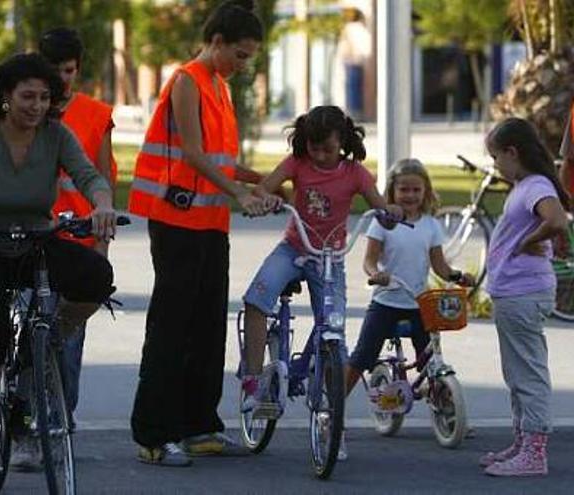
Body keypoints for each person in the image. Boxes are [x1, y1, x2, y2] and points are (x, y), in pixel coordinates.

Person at [0, 52, 117, 480]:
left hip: (37, 240)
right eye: (27, 96)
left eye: (45, 98)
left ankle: (49, 342)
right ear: (5, 98)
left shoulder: (55, 134)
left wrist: (102, 206)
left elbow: (90, 177)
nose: (37, 106)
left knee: (96, 277)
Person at [128, 0, 275, 467]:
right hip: (176, 222)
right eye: (241, 55)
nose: (243, 65)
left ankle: (199, 425)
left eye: (249, 57)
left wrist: (267, 182)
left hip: (209, 224)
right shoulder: (188, 80)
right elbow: (192, 153)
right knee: (171, 325)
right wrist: (240, 192)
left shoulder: (219, 86)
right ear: (216, 43)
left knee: (208, 323)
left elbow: (221, 158)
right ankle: (155, 434)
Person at [239, 105, 404, 454]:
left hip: (330, 259)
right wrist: (267, 197)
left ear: (342, 142)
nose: (320, 155)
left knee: (335, 335)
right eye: (314, 148)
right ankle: (253, 383)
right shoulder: (297, 163)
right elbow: (264, 188)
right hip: (293, 248)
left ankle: (333, 423)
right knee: (256, 300)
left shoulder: (356, 174)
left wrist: (391, 213)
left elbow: (380, 208)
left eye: (328, 148)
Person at [343, 159, 474, 457]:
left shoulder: (430, 224)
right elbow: (369, 260)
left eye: (416, 189)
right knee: (362, 356)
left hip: (418, 302)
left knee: (429, 358)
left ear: (425, 190)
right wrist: (375, 273)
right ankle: (334, 407)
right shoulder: (383, 221)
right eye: (404, 189)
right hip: (386, 300)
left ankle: (448, 408)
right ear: (393, 190)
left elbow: (439, 265)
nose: (410, 195)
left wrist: (456, 276)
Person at [478, 117, 569, 477]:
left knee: (528, 373)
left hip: (524, 293)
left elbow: (557, 220)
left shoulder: (534, 186)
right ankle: (522, 441)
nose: (495, 165)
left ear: (513, 152)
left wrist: (528, 242)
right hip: (514, 294)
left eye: (496, 157)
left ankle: (534, 452)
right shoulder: (526, 186)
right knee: (516, 372)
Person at [38, 26, 117, 432]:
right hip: (35, 239)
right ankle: (36, 417)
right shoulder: (28, 111)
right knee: (34, 331)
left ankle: (60, 418)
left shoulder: (96, 115)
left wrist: (101, 245)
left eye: (69, 70)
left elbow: (103, 179)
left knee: (68, 342)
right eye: (55, 69)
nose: (62, 78)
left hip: (81, 240)